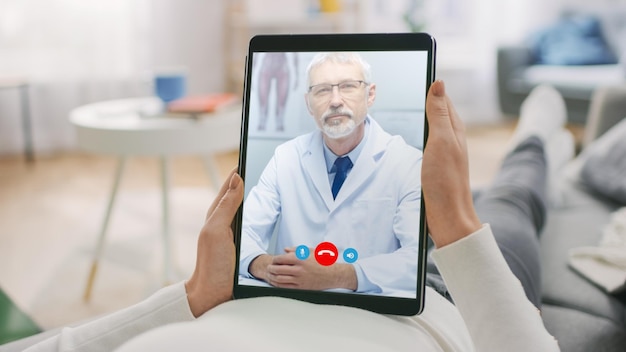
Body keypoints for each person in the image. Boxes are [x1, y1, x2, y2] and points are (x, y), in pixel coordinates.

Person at [24, 80, 564, 351]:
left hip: (311, 280)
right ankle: (540, 135)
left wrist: (196, 296)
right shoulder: (289, 157)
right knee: (513, 197)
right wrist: (456, 222)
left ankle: (540, 136)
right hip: (446, 303)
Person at [239, 52, 423, 296]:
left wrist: (338, 276)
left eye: (347, 86)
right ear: (308, 103)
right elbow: (242, 234)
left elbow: (416, 259)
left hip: (370, 309)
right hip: (293, 303)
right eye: (323, 90)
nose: (335, 101)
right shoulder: (285, 158)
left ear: (370, 94)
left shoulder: (407, 163)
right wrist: (267, 267)